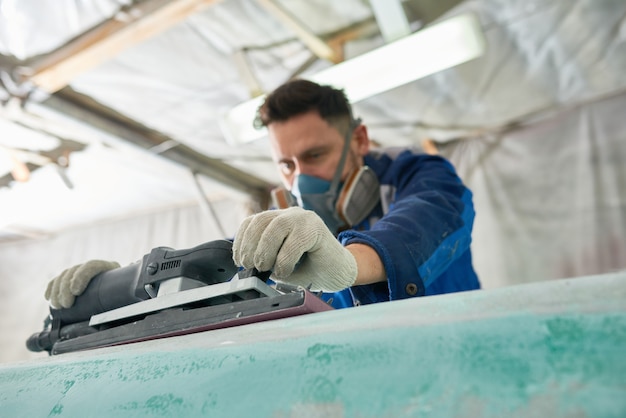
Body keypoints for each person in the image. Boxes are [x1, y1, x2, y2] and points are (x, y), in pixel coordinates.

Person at [45, 79, 480, 310]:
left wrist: (348, 263)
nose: (300, 178)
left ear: (360, 139)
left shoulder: (419, 175)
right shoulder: (285, 226)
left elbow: (425, 222)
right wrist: (113, 290)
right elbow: (218, 289)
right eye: (287, 165)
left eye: (315, 154)